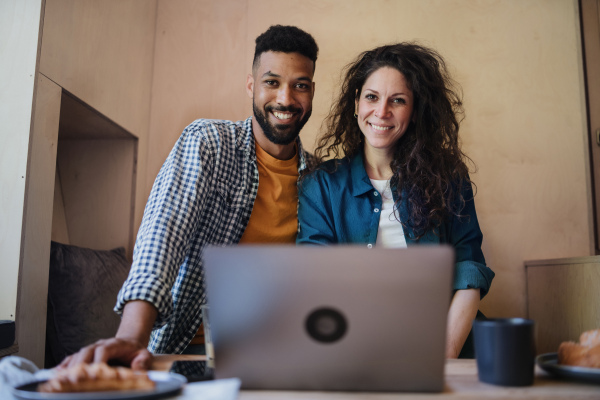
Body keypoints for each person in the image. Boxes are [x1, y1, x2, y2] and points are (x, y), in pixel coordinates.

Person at [60, 25, 319, 369]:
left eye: (299, 85)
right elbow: (163, 234)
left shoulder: (318, 177)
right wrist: (130, 337)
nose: (286, 99)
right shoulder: (209, 142)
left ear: (312, 91)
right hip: (189, 352)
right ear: (251, 85)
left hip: (282, 353)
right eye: (272, 82)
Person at [296, 43, 494, 358]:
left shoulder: (447, 178)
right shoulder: (321, 186)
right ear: (356, 102)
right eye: (372, 97)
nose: (382, 111)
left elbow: (469, 272)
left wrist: (443, 356)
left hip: (451, 347)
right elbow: (316, 281)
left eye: (398, 101)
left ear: (415, 112)